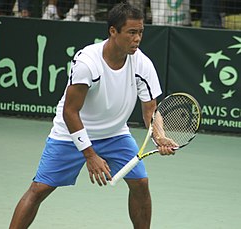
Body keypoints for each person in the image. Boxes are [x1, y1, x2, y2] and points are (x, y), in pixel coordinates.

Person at [9, 2, 176, 229]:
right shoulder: (87, 62)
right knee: (40, 188)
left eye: (140, 33)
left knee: (140, 183)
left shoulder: (142, 63)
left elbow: (151, 111)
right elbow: (70, 111)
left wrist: (160, 136)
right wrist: (89, 154)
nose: (137, 39)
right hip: (71, 132)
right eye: (131, 33)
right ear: (113, 32)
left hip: (115, 133)